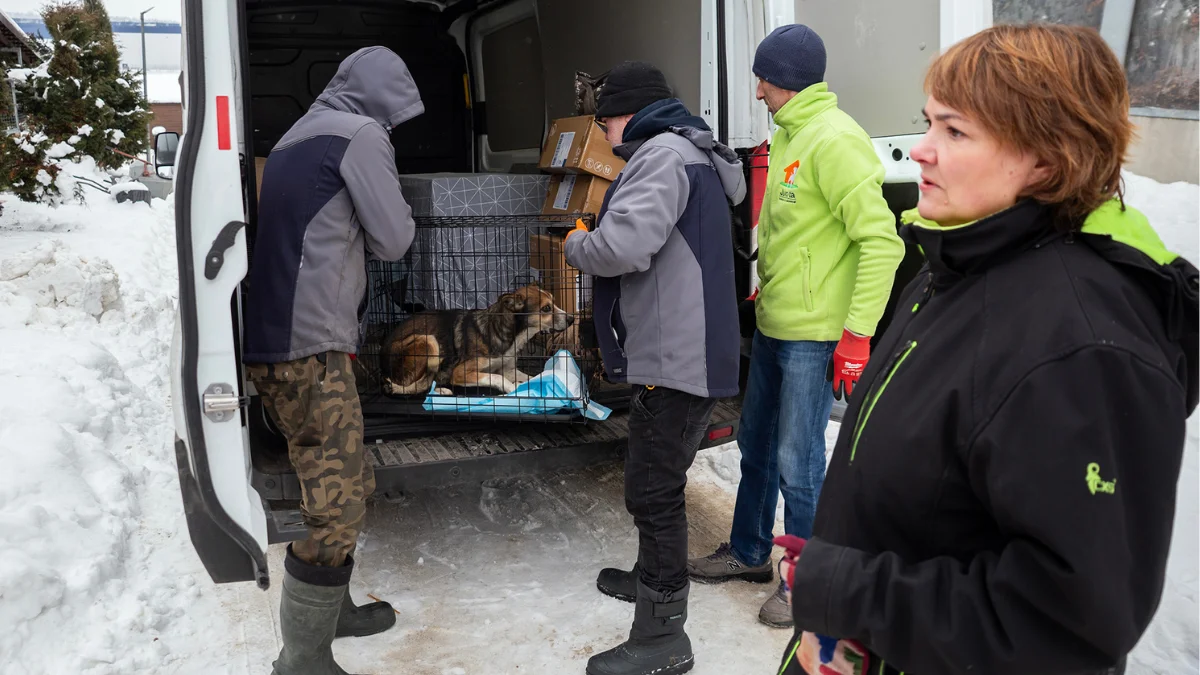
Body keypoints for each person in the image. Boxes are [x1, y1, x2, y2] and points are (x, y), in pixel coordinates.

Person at [777, 24, 1198, 675]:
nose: (920, 150)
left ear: (1046, 159)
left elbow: (1067, 624)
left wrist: (851, 593)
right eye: (929, 123)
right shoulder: (960, 263)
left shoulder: (1083, 346)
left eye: (955, 132)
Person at [688, 24, 905, 629]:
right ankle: (750, 551)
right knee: (755, 445)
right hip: (778, 321)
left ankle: (807, 582)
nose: (757, 90)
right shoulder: (788, 133)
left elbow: (881, 243)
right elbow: (799, 231)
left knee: (798, 462)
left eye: (763, 78)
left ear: (787, 79)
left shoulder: (835, 140)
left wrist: (857, 335)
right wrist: (772, 282)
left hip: (815, 334)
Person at [241, 46, 421, 675]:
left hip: (279, 343)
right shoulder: (360, 134)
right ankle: (303, 660)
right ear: (384, 99)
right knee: (337, 506)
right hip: (310, 346)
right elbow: (395, 238)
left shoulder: (296, 135)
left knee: (345, 481)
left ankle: (333, 612)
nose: (393, 126)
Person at [562, 60, 745, 675]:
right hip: (685, 347)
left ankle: (663, 635)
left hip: (678, 356)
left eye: (604, 121)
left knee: (653, 491)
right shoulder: (687, 151)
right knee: (654, 481)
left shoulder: (662, 156)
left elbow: (621, 246)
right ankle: (649, 580)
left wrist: (577, 241)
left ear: (628, 114)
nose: (603, 133)